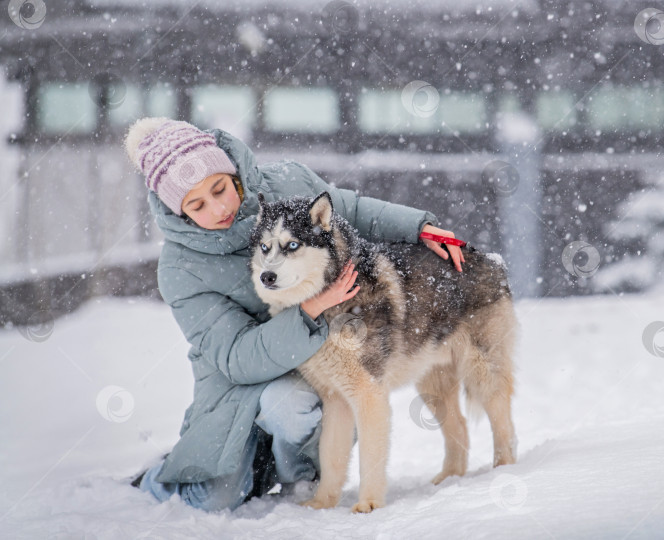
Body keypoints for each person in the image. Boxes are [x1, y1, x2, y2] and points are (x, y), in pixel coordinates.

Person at [123, 117, 465, 512]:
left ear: (232, 174)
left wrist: (420, 227)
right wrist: (311, 308)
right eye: (197, 205)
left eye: (219, 188)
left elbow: (350, 210)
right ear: (179, 213)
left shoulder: (287, 183)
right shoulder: (180, 269)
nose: (219, 208)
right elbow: (237, 358)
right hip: (238, 384)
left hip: (311, 359)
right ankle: (158, 478)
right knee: (214, 497)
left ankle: (299, 480)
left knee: (305, 405)